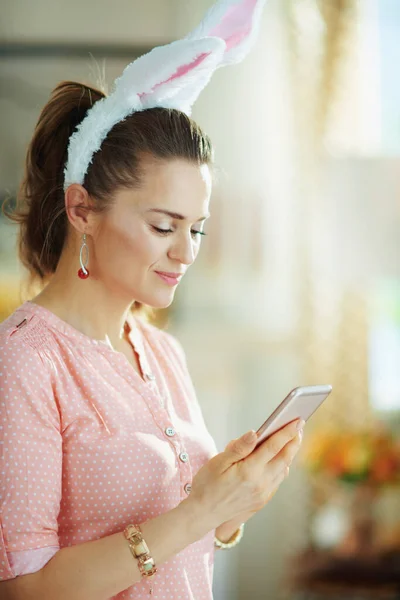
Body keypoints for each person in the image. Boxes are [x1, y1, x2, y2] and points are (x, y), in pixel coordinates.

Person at [0, 0, 304, 598]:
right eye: (164, 227)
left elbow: (186, 541)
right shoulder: (26, 363)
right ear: (82, 207)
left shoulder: (162, 351)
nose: (186, 253)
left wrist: (233, 507)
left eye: (197, 229)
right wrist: (198, 513)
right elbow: (23, 588)